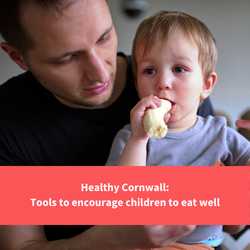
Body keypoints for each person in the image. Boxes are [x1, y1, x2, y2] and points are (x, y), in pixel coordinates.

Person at [0, 1, 217, 250]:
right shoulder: (6, 120)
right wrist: (110, 240)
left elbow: (230, 217)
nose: (101, 74)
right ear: (18, 56)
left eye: (104, 38)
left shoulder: (178, 91)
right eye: (67, 58)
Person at [105, 10, 248, 249]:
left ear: (205, 85)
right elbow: (117, 199)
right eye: (149, 71)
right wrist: (139, 140)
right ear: (137, 83)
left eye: (179, 69)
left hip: (209, 243)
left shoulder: (221, 134)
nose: (162, 82)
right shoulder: (132, 137)